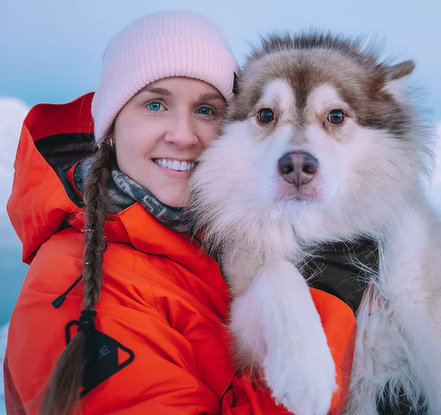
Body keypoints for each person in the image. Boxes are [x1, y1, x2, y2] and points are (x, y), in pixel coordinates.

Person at [4, 10, 377, 415]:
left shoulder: (218, 237)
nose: (182, 136)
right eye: (154, 104)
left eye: (206, 110)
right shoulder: (72, 287)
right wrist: (330, 300)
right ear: (109, 129)